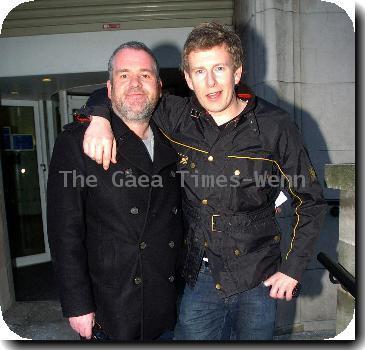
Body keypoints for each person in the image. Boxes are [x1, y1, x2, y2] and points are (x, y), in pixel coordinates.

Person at [79, 23, 328, 340]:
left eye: (219, 68)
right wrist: (99, 117)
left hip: (258, 275)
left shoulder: (275, 125)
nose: (210, 82)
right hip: (199, 278)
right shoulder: (175, 115)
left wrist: (292, 269)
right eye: (199, 71)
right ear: (187, 78)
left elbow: (311, 201)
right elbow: (127, 92)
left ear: (236, 72)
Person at [47, 41, 184, 341]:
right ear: (108, 89)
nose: (135, 83)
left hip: (166, 305)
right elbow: (64, 232)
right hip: (111, 308)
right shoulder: (77, 143)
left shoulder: (175, 137)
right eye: (124, 75)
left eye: (145, 75)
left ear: (159, 86)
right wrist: (77, 305)